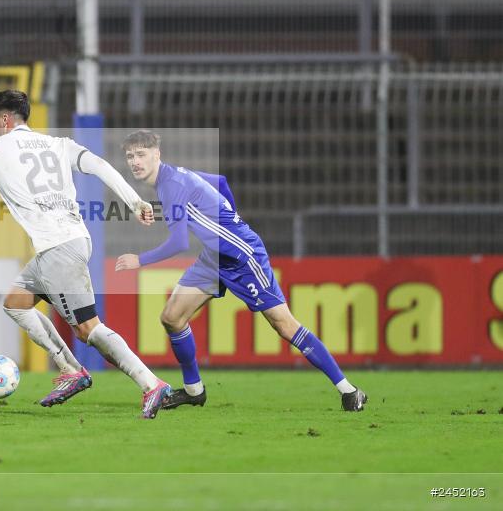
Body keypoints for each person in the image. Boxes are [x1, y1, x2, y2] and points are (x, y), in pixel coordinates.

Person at [0, 90, 173, 419]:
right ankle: (71, 370)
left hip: (57, 249)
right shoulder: (58, 144)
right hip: (73, 240)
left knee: (87, 329)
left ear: (5, 119)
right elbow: (100, 166)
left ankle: (151, 384)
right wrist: (133, 201)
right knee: (15, 302)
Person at [115, 130, 367, 412]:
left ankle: (349, 390)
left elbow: (179, 242)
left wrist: (139, 260)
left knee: (283, 324)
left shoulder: (171, 184)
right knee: (172, 318)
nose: (135, 161)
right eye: (130, 156)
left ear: (156, 155)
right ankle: (193, 391)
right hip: (214, 257)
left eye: (141, 154)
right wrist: (227, 218)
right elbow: (221, 182)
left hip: (241, 255)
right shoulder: (172, 178)